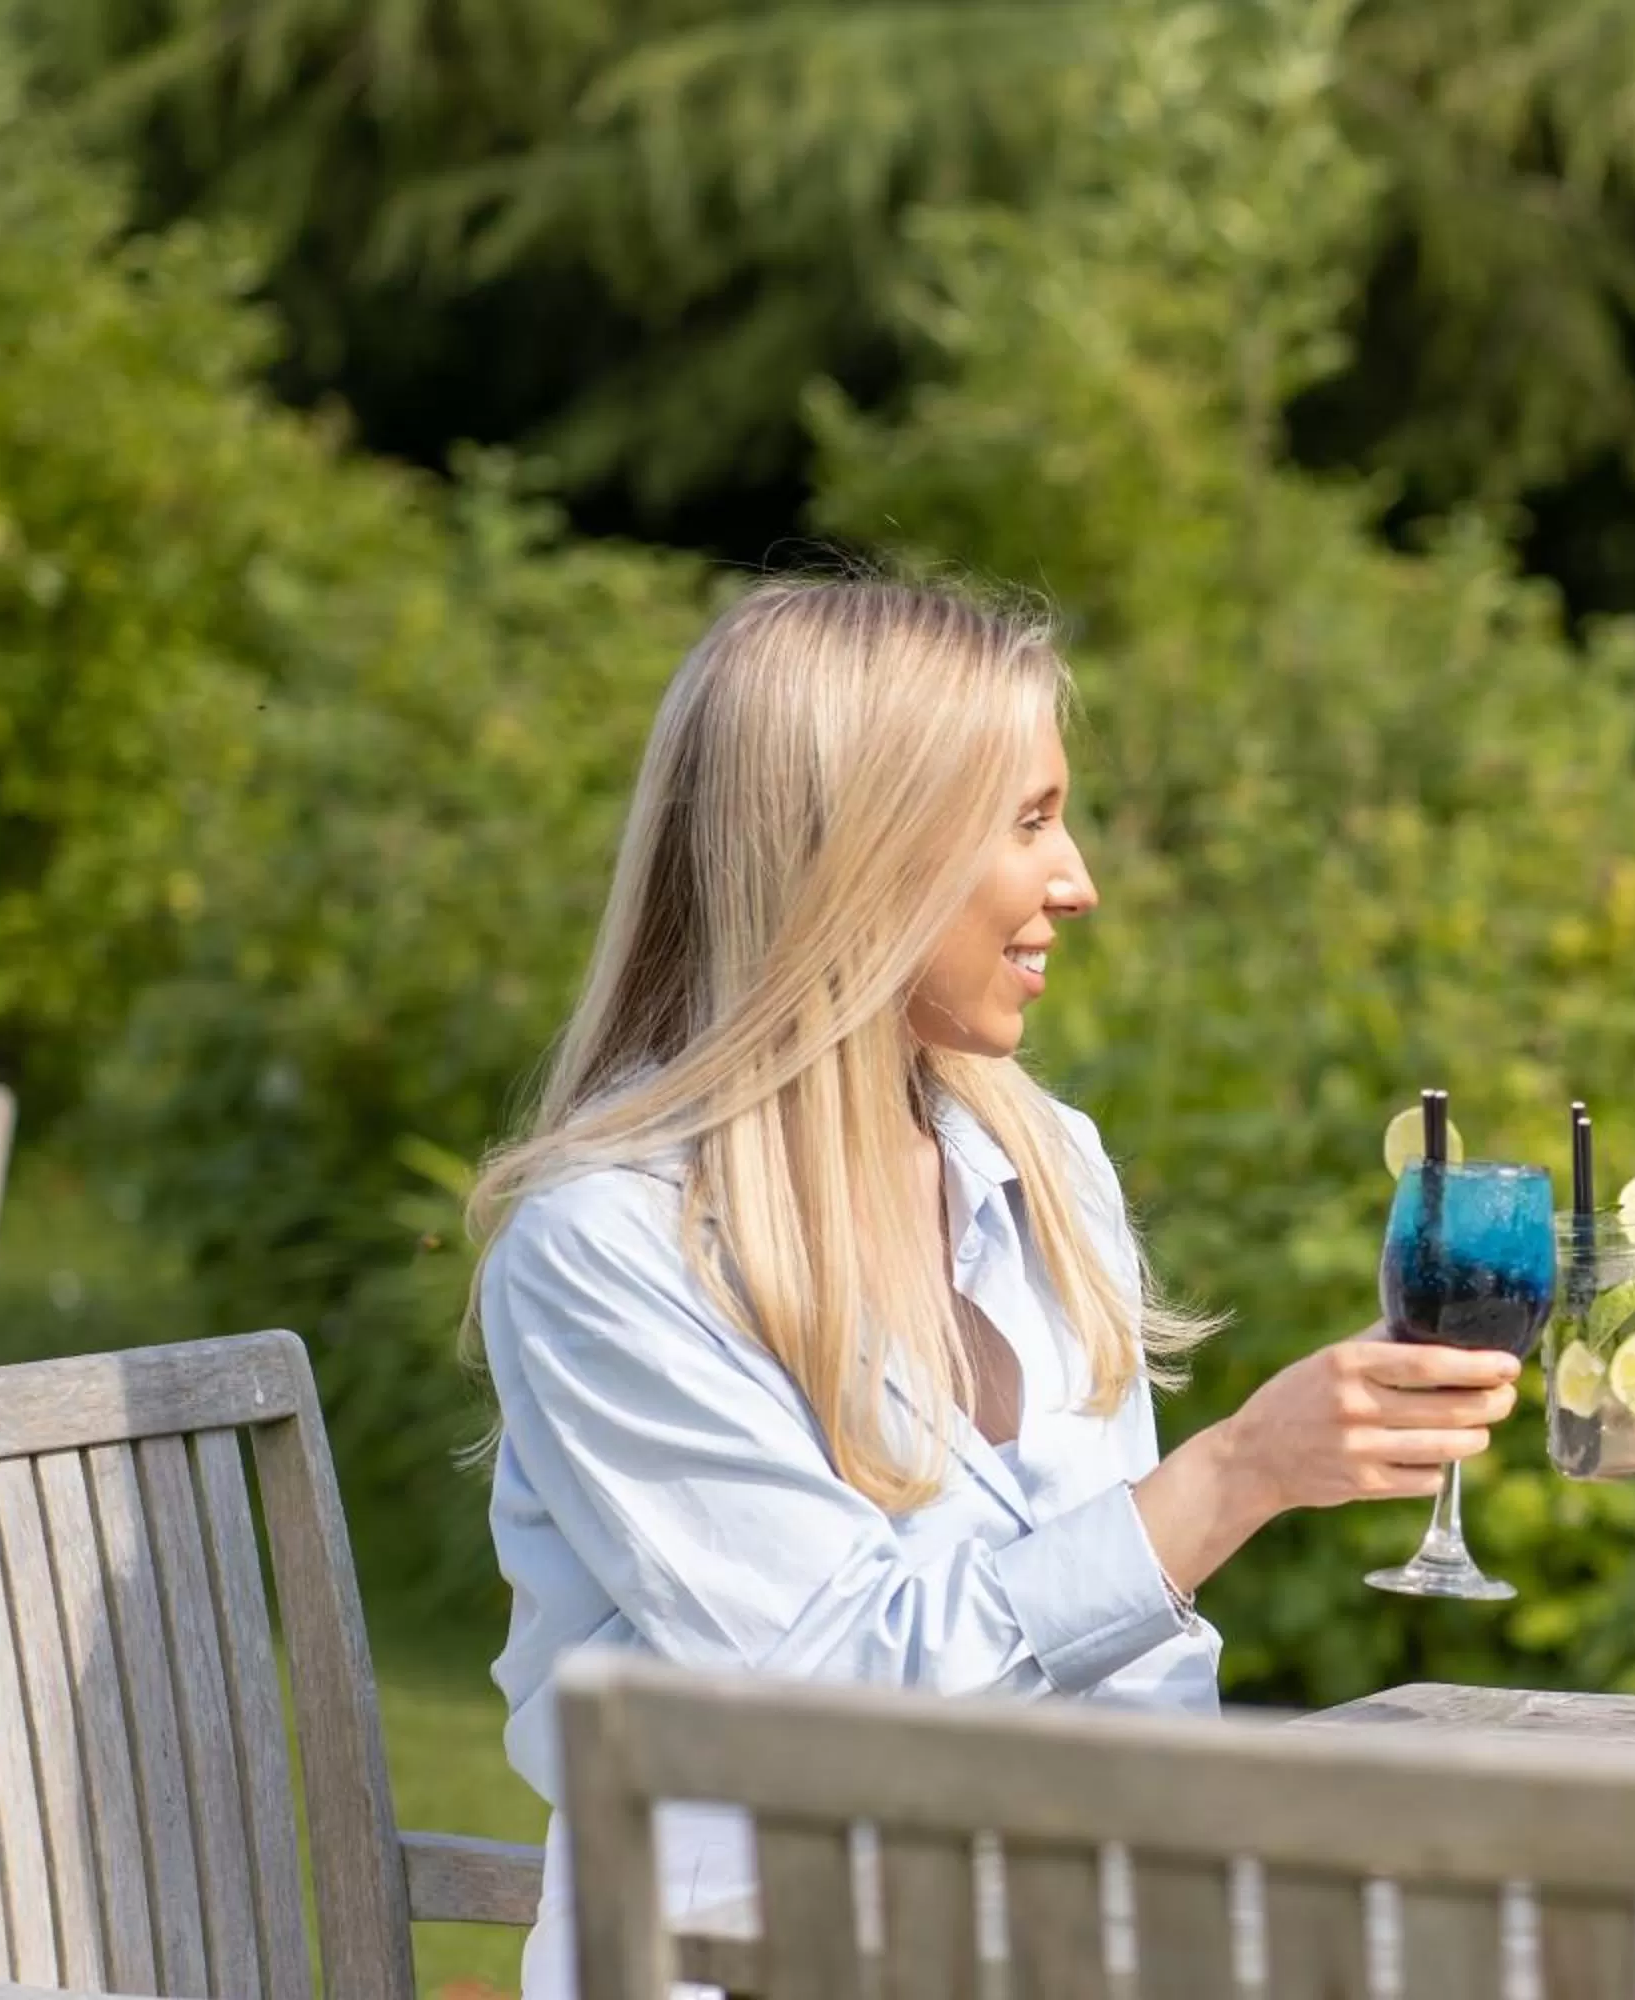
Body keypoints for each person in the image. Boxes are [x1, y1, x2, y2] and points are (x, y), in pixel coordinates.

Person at [467, 578, 1518, 1995]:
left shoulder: (1045, 1157)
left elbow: (1144, 1682)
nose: (1078, 879)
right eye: (1027, 823)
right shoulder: (611, 1249)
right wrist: (1235, 1479)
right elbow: (836, 1704)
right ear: (861, 857)